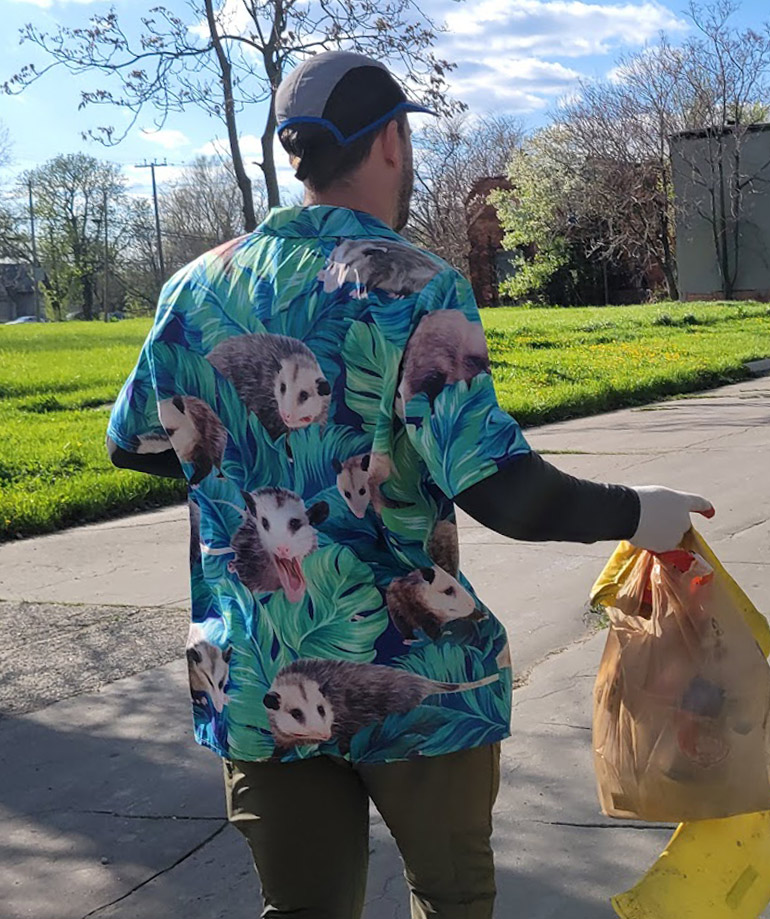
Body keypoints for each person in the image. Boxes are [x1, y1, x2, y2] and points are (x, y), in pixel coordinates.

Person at [105, 50, 713, 919]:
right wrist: (642, 513)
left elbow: (135, 443)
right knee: (452, 899)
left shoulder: (196, 288)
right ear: (391, 141)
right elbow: (500, 488)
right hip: (415, 668)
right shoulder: (417, 285)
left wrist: (239, 465)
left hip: (256, 673)